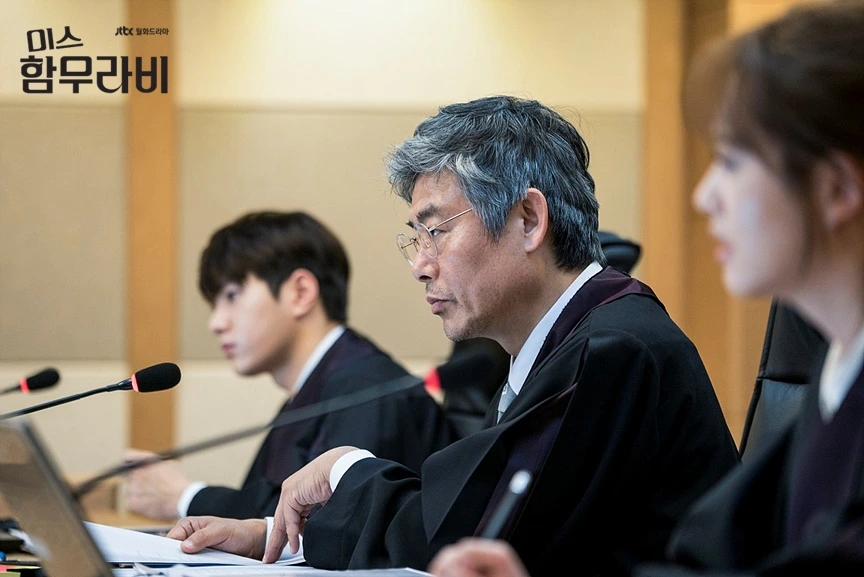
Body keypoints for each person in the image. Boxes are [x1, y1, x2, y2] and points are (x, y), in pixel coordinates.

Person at [165, 96, 740, 576]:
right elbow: (473, 517)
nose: (421, 265)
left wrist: (343, 469)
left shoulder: (612, 349)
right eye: (415, 239)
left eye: (436, 231)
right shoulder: (562, 343)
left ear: (528, 220)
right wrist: (273, 534)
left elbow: (468, 539)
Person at [429, 1, 864, 575]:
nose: (704, 197)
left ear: (835, 189)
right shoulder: (838, 371)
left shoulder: (620, 344)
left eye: (733, 161)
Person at [123, 211, 455, 520]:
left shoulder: (366, 389)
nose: (216, 323)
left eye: (232, 295)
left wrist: (184, 497)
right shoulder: (318, 386)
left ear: (300, 292)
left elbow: (321, 527)